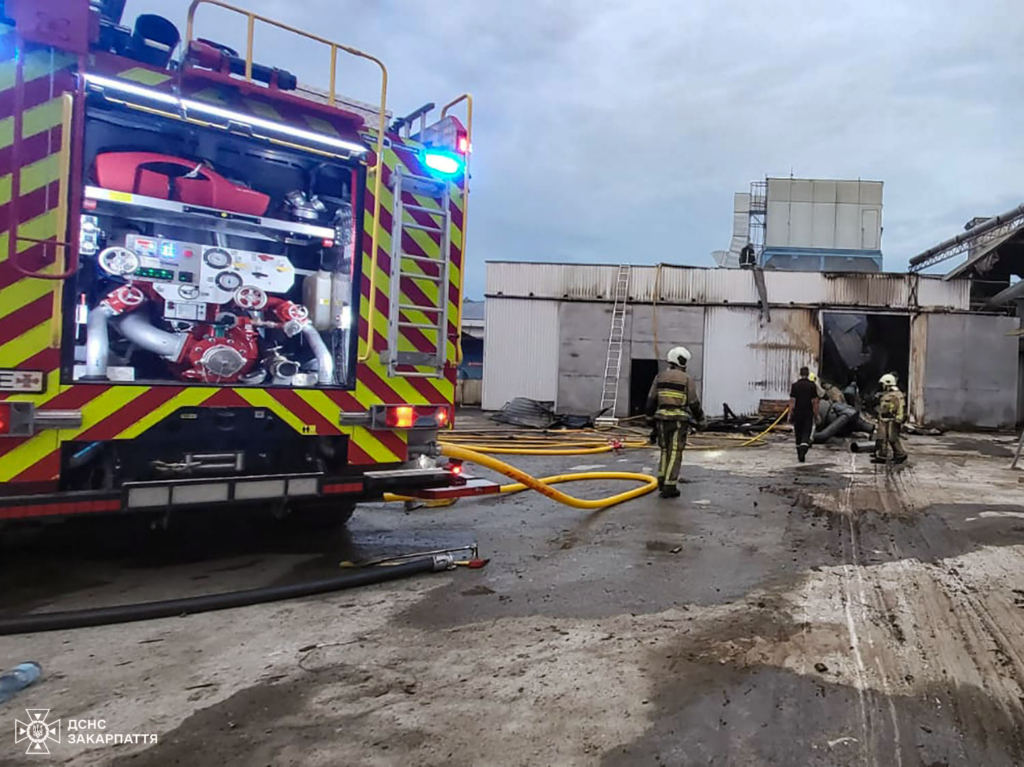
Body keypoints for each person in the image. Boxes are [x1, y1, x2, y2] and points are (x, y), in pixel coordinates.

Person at [646, 346, 704, 498]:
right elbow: (693, 403)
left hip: (661, 419)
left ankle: (661, 479)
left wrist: (650, 419)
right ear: (682, 361)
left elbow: (651, 400)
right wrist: (701, 420)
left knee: (664, 450)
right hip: (678, 421)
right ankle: (669, 486)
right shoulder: (686, 379)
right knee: (675, 452)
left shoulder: (659, 377)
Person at [873, 373, 908, 464]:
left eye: (883, 384)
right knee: (882, 438)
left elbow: (901, 407)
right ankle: (881, 456)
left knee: (892, 438)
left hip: (892, 419)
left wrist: (899, 418)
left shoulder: (897, 395)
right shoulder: (887, 394)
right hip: (884, 419)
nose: (882, 386)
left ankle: (900, 454)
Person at [789, 367, 819, 462]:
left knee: (798, 432)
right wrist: (816, 414)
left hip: (797, 412)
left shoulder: (795, 386)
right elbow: (815, 401)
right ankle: (804, 448)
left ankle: (799, 452)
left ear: (800, 374)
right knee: (806, 431)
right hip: (808, 412)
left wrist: (790, 414)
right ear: (808, 374)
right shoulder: (812, 386)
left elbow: (792, 401)